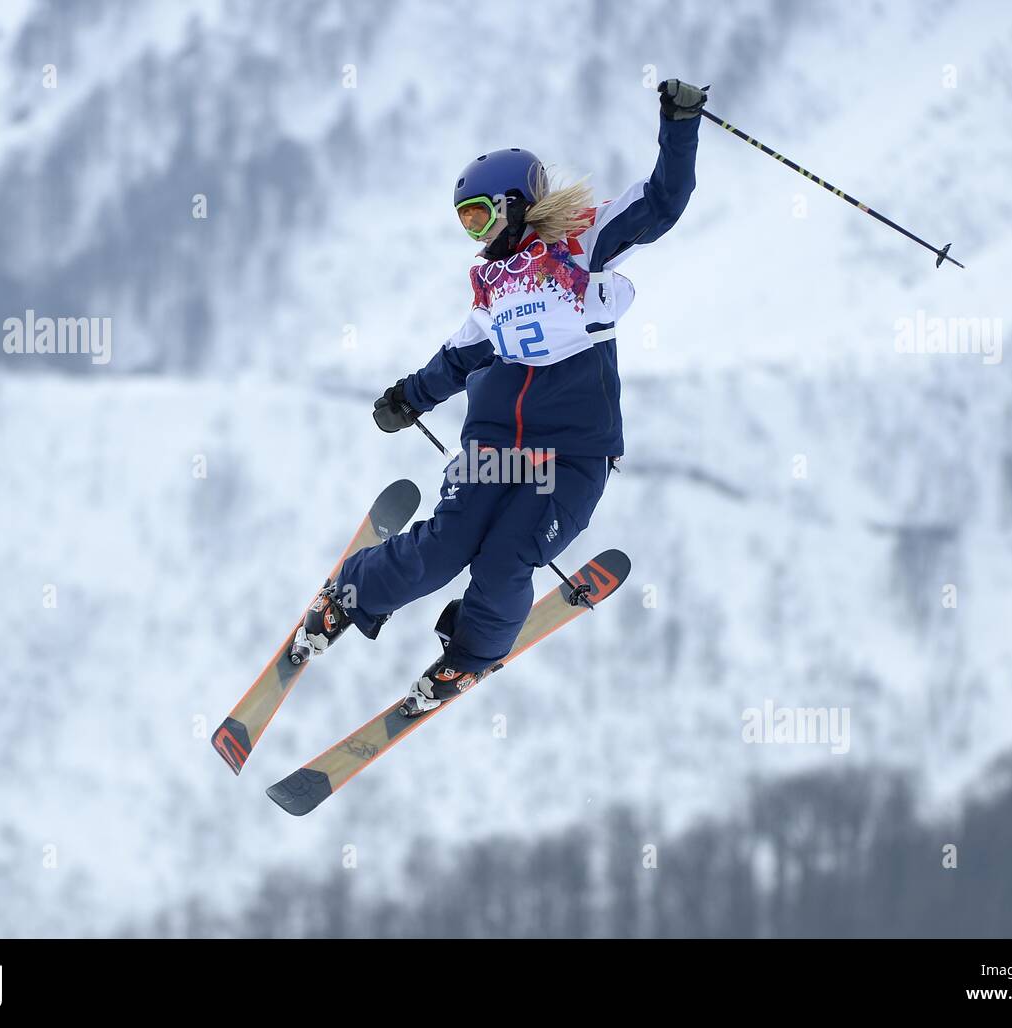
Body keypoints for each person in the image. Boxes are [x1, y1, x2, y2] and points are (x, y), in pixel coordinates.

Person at [294, 78, 707, 716]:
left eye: (480, 216)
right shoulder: (493, 287)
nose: (477, 235)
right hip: (494, 447)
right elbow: (460, 355)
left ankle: (469, 655)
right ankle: (349, 595)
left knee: (507, 561)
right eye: (465, 223)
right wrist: (410, 396)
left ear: (516, 205)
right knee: (443, 547)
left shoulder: (581, 245)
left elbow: (663, 200)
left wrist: (679, 124)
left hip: (571, 457)